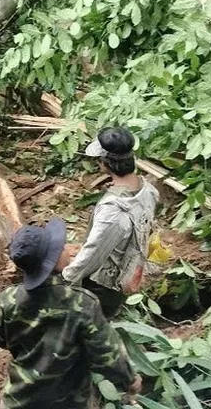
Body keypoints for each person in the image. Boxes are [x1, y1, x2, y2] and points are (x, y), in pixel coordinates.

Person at [0, 217, 141, 409]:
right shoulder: (82, 303)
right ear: (51, 263)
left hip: (18, 401)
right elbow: (107, 355)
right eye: (59, 248)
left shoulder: (7, 299)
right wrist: (130, 379)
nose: (66, 249)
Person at [62, 126, 159, 318]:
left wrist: (64, 279)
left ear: (105, 164)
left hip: (102, 287)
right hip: (128, 271)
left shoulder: (113, 211)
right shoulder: (148, 191)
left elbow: (93, 254)